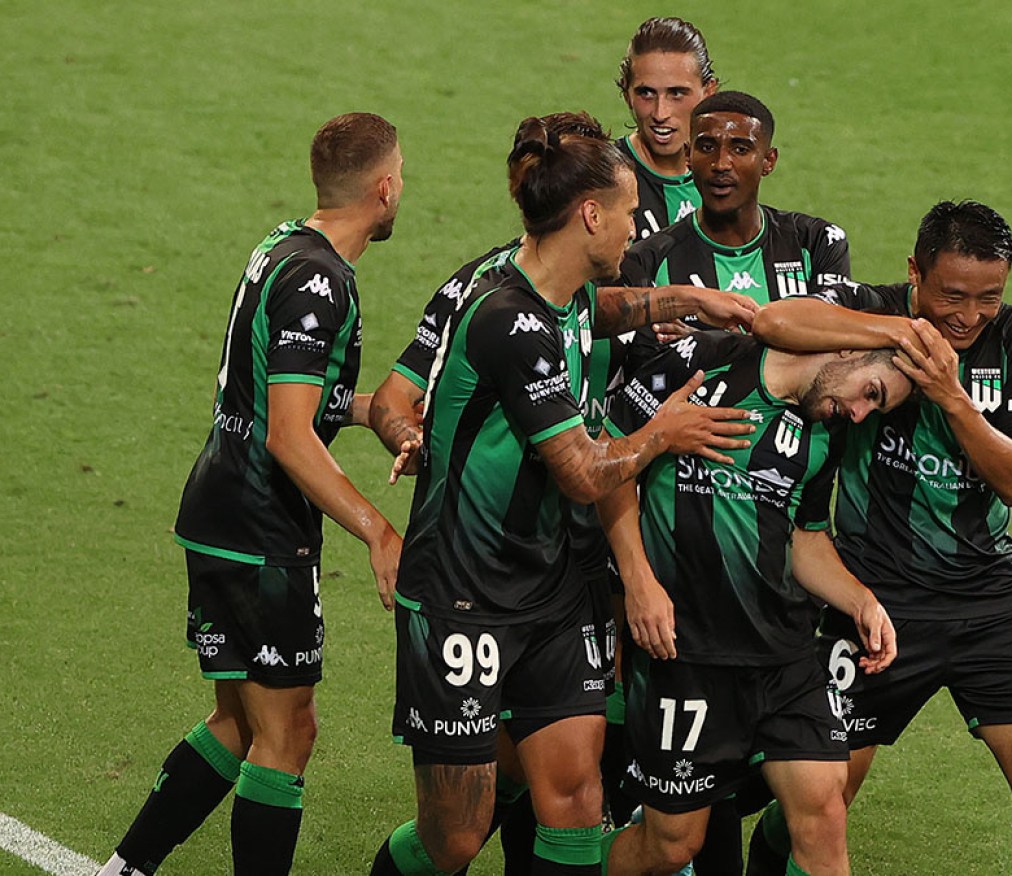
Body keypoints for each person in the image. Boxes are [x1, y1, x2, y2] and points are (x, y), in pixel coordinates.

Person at [369, 112, 762, 876]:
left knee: (577, 801)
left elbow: (603, 312)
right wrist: (662, 433)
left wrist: (684, 298)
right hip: (462, 597)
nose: (633, 224)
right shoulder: (504, 319)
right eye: (624, 211)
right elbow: (580, 472)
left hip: (551, 598)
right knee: (454, 838)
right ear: (589, 215)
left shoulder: (567, 291)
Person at [95, 112, 407, 876]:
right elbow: (289, 437)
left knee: (238, 719)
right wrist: (377, 530)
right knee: (288, 732)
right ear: (385, 188)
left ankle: (122, 869)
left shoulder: (284, 245)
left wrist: (374, 412)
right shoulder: (320, 280)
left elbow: (282, 397)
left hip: (221, 510)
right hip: (259, 526)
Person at [746, 201, 1012, 876]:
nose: (967, 316)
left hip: (988, 600)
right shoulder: (869, 310)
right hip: (872, 598)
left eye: (988, 297)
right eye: (951, 296)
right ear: (915, 272)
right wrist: (897, 332)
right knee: (820, 799)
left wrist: (948, 394)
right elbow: (774, 321)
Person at [596, 326, 909, 876]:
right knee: (672, 844)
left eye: (873, 408)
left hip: (783, 658)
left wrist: (862, 602)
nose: (859, 414)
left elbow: (805, 538)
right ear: (850, 347)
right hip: (688, 654)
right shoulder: (707, 361)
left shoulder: (823, 432)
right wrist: (638, 579)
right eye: (871, 392)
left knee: (823, 812)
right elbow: (609, 462)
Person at [621, 90, 852, 317]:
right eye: (707, 147)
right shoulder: (647, 261)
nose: (721, 164)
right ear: (688, 156)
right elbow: (653, 353)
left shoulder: (818, 242)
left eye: (741, 149)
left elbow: (834, 340)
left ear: (768, 161)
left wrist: (699, 339)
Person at [615, 16, 719, 240]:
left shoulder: (724, 177)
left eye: (677, 93)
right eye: (646, 93)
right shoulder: (602, 178)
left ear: (708, 93)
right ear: (627, 95)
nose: (660, 113)